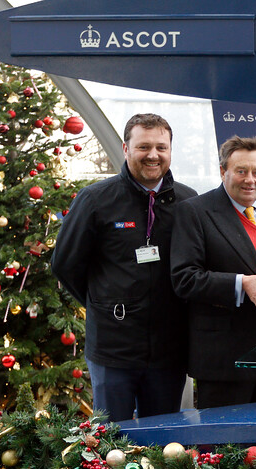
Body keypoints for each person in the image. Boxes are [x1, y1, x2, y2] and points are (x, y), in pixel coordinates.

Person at [51, 113, 197, 422]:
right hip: (113, 350)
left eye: (161, 147)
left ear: (171, 150)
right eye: (144, 147)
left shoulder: (188, 202)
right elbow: (65, 264)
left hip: (168, 351)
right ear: (126, 149)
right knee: (109, 443)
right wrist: (103, 303)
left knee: (162, 444)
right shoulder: (95, 200)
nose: (153, 155)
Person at [170, 136, 256, 408]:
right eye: (241, 171)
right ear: (222, 171)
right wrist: (241, 284)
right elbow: (184, 278)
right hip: (225, 363)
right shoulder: (195, 212)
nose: (250, 179)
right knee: (224, 447)